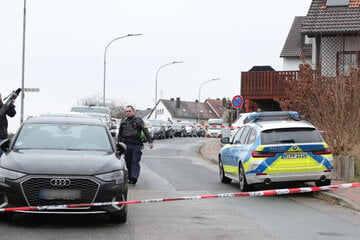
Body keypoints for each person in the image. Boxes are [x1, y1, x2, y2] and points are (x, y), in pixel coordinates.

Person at [118, 105, 153, 184]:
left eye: (129, 111)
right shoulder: (123, 121)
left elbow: (145, 130)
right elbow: (120, 133)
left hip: (136, 145)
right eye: (126, 111)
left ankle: (134, 177)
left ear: (133, 111)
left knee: (135, 161)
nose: (128, 113)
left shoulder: (138, 120)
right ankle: (130, 177)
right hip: (126, 144)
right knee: (128, 162)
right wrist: (118, 144)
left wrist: (150, 141)